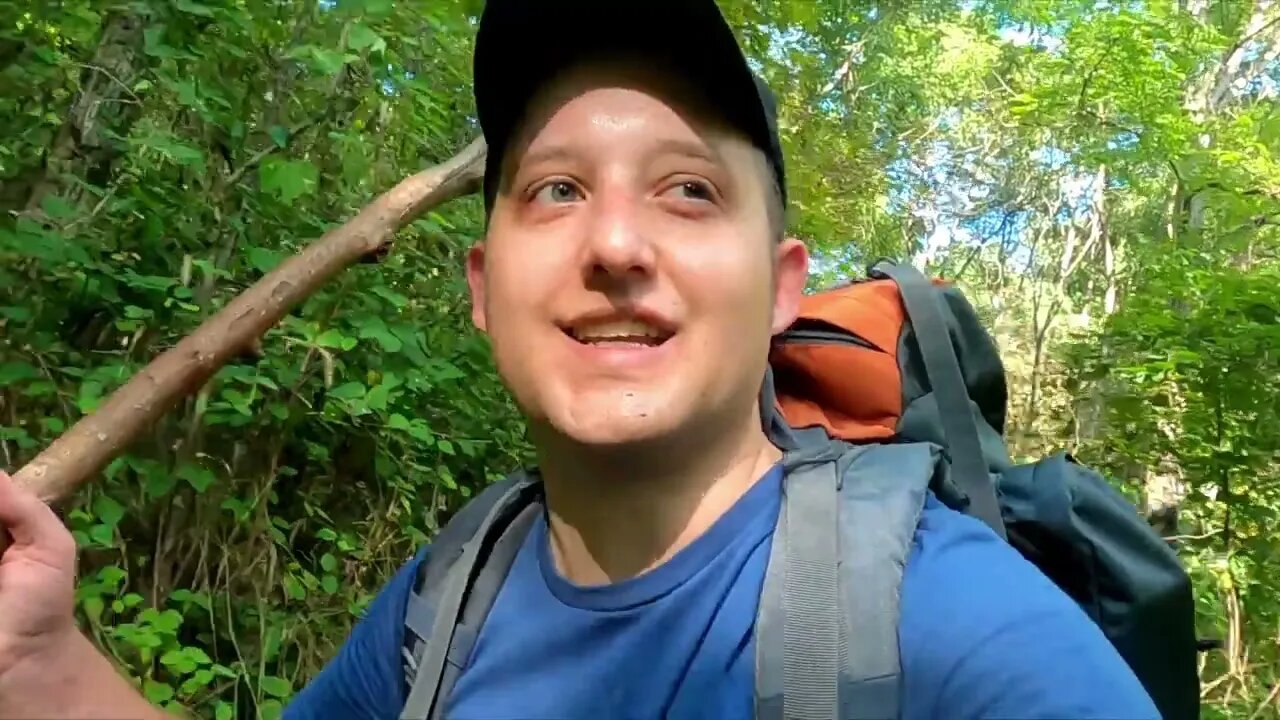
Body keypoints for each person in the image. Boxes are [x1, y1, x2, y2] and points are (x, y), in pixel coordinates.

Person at [0, 1, 1163, 718]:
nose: (613, 244)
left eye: (688, 191)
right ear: (481, 288)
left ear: (779, 290)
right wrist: (41, 661)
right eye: (555, 189)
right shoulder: (451, 599)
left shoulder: (951, 628)